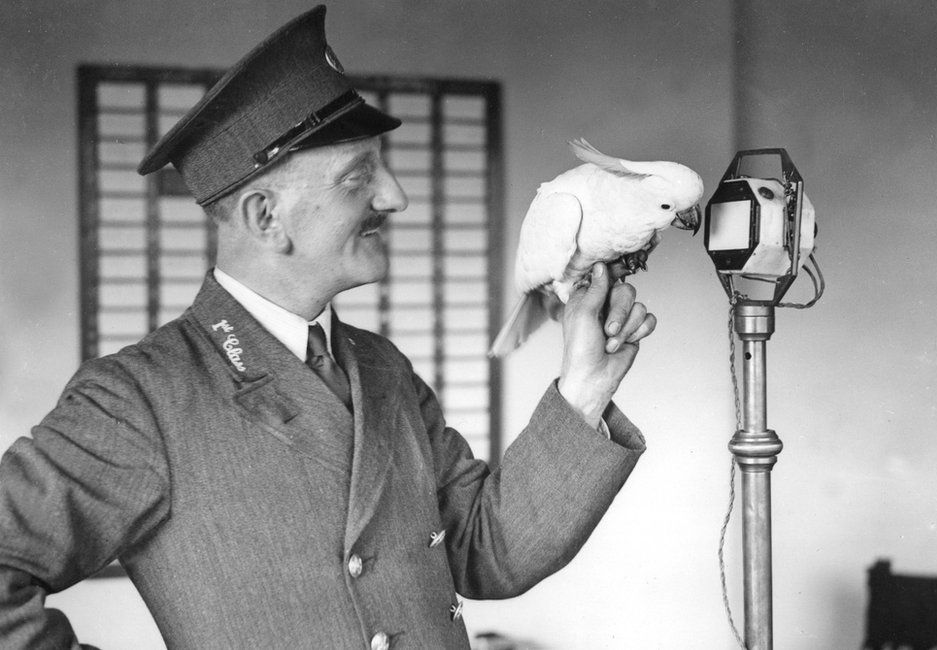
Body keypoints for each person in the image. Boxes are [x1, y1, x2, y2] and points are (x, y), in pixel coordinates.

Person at [0, 5, 656, 649]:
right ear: (265, 217)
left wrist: (583, 388)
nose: (395, 197)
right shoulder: (140, 399)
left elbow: (489, 551)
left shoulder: (382, 367)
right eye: (358, 176)